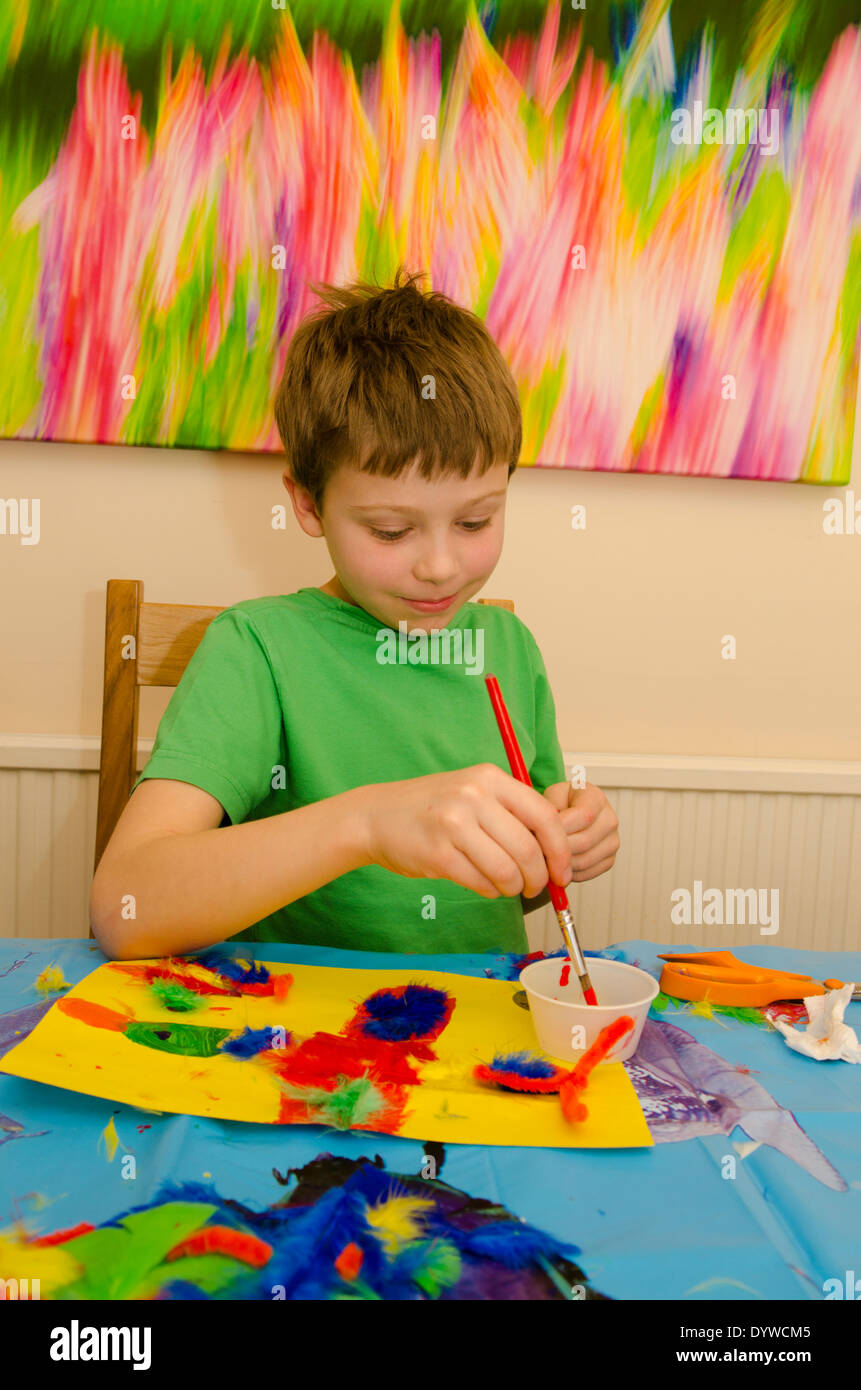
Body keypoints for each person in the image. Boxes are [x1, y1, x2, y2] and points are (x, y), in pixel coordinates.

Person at [90, 268, 620, 960]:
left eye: (474, 520)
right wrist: (365, 824)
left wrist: (565, 844)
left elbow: (519, 884)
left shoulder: (509, 648)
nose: (439, 565)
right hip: (297, 1045)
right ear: (308, 505)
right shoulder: (260, 650)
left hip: (481, 1038)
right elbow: (124, 907)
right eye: (391, 532)